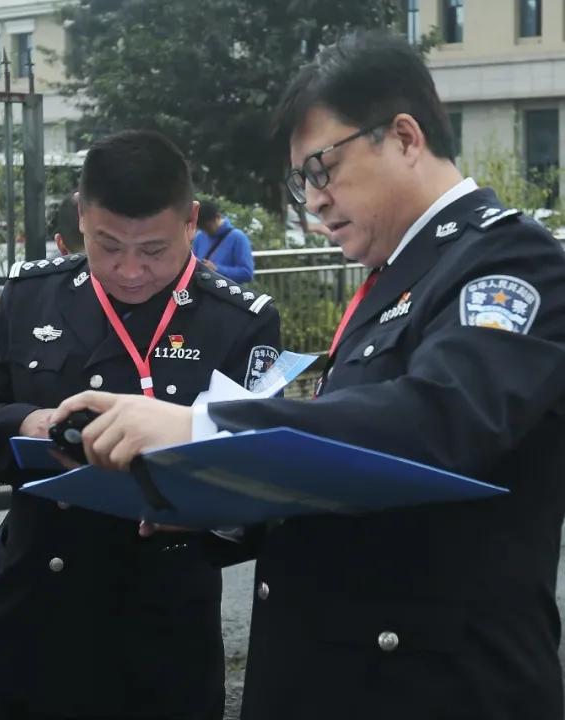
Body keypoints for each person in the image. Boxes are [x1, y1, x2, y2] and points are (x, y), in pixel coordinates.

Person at [51, 30, 565, 720]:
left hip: (428, 685)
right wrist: (209, 501)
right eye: (301, 181)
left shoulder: (508, 261)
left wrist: (205, 429)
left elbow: (437, 421)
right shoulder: (400, 275)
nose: (313, 200)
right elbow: (350, 468)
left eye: (321, 167)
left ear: (405, 138)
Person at [0, 130, 281, 720]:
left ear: (191, 223)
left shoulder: (238, 322)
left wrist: (194, 509)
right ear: (80, 217)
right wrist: (31, 423)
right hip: (37, 609)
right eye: (107, 246)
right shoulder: (32, 296)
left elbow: (254, 482)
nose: (129, 271)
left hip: (160, 628)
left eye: (153, 250)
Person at [191, 200, 254, 283]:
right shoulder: (200, 236)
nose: (206, 232)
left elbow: (247, 273)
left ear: (218, 217)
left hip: (227, 292)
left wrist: (217, 269)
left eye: (208, 227)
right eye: (202, 228)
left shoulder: (238, 237)